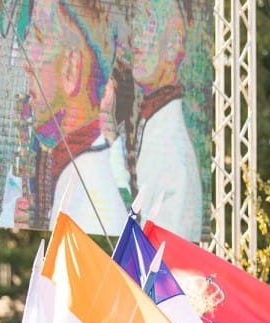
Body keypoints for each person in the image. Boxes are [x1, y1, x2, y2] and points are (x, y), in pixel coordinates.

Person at [20, 0, 129, 234]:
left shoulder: (88, 199)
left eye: (38, 39)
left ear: (71, 69)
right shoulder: (79, 176)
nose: (26, 62)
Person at [127, 0, 203, 241]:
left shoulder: (172, 148)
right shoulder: (154, 123)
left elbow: (163, 262)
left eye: (148, 23)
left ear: (172, 46)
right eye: (136, 23)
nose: (135, 38)